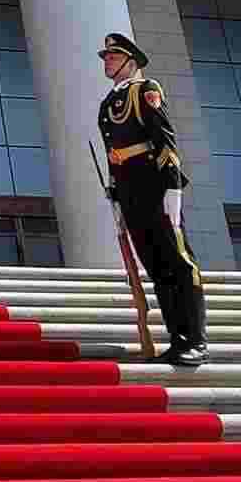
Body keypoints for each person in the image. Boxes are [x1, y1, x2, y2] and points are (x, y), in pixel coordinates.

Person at [96, 32, 210, 366]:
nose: (107, 61)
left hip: (155, 187)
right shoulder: (108, 104)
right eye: (106, 57)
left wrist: (173, 189)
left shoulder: (145, 90)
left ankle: (196, 340)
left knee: (179, 263)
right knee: (157, 268)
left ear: (131, 61)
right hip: (130, 193)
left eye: (114, 56)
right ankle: (178, 339)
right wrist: (116, 195)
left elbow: (164, 141)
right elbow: (113, 154)